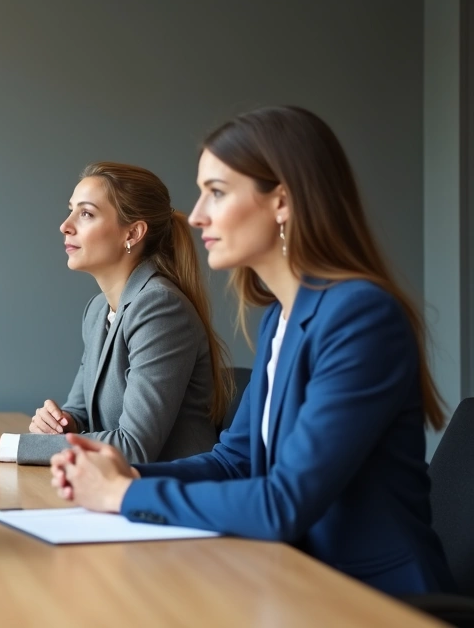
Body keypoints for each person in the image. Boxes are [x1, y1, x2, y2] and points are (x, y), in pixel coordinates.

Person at [50, 106, 455, 596]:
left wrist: (126, 493)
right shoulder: (281, 318)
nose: (196, 216)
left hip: (371, 598)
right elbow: (232, 461)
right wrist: (126, 471)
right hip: (288, 579)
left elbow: (283, 504)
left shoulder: (361, 316)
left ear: (281, 201)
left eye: (216, 193)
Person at [0, 162, 230, 464]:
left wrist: (1, 446)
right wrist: (62, 423)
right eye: (71, 209)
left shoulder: (160, 308)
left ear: (133, 233)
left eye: (85, 213)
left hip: (169, 495)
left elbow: (134, 446)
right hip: (114, 490)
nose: (65, 225)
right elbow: (80, 412)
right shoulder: (99, 310)